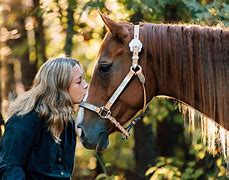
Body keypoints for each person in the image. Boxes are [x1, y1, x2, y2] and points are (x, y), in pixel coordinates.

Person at [0, 57, 88, 179]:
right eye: (79, 81)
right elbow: (9, 168)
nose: (86, 85)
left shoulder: (68, 122)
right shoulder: (24, 120)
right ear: (60, 86)